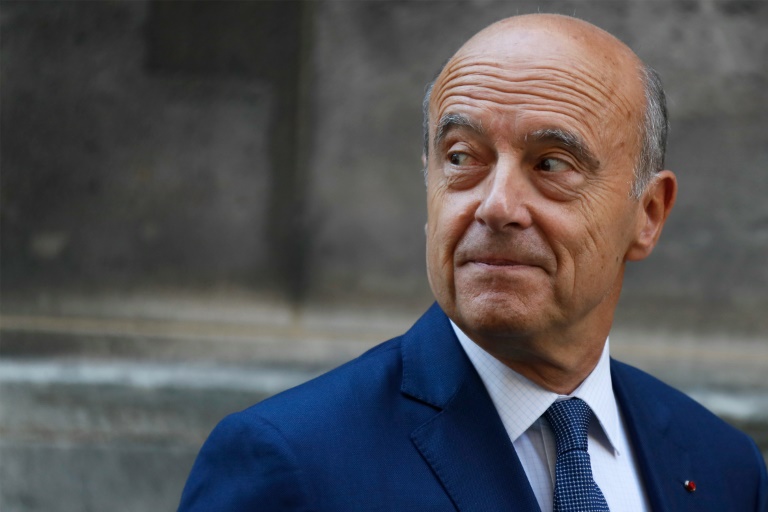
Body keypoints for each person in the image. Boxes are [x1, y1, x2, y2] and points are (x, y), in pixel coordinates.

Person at [178, 14, 768, 511]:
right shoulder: (291, 463)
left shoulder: (723, 467)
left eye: (551, 164)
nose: (497, 206)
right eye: (462, 157)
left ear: (648, 214)